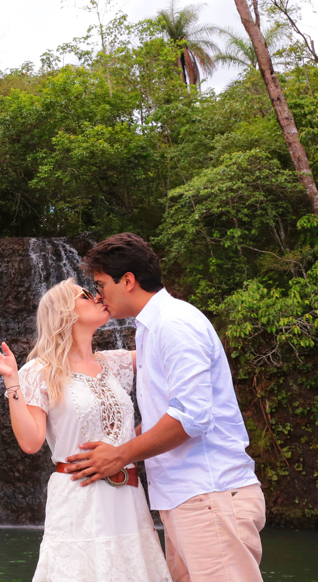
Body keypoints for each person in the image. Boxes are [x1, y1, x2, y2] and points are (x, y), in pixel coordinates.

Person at [65, 233, 265, 582]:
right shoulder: (149, 328)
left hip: (208, 494)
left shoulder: (175, 324)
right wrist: (120, 447)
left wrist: (121, 455)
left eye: (100, 284)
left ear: (127, 281)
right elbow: (166, 417)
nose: (98, 295)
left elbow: (191, 418)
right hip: (185, 498)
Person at [0, 278, 170, 582]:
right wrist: (11, 381)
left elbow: (169, 350)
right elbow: (31, 442)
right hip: (78, 500)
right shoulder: (39, 371)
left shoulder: (117, 363)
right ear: (64, 313)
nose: (97, 297)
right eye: (85, 295)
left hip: (128, 499)